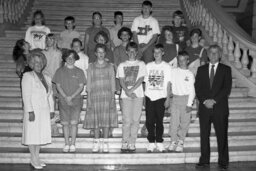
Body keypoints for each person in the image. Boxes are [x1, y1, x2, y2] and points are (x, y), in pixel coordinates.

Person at [195, 45, 232, 170]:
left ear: (220, 55)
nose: (213, 54)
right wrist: (205, 101)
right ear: (208, 54)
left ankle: (223, 161)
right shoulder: (201, 69)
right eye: (211, 52)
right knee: (204, 135)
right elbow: (197, 88)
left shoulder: (226, 69)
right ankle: (204, 160)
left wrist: (214, 100)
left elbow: (226, 88)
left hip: (220, 108)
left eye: (216, 53)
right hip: (205, 108)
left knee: (222, 135)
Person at [21, 51, 54, 169]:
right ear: (31, 63)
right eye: (35, 62)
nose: (38, 64)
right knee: (32, 134)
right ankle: (33, 158)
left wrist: (52, 110)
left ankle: (37, 157)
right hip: (33, 110)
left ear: (43, 63)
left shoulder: (47, 77)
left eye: (40, 62)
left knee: (40, 134)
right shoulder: (27, 76)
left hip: (44, 110)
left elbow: (50, 95)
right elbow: (26, 95)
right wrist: (30, 111)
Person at [83, 44, 118, 153]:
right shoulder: (91, 66)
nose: (101, 54)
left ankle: (106, 142)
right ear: (95, 53)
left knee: (106, 120)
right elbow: (88, 84)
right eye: (99, 52)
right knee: (96, 120)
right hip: (94, 96)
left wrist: (113, 98)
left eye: (102, 52)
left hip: (107, 97)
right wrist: (88, 99)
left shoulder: (110, 66)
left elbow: (113, 83)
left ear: (105, 53)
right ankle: (96, 141)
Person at [52, 50, 86, 153]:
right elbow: (58, 85)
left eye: (72, 57)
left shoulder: (80, 71)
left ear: (75, 58)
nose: (70, 59)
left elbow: (81, 87)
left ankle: (73, 144)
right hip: (63, 100)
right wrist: (66, 96)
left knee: (74, 123)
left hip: (76, 100)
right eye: (68, 57)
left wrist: (71, 96)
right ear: (65, 59)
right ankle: (66, 143)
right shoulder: (59, 71)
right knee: (65, 124)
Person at [116, 42, 146, 152]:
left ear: (137, 52)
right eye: (130, 51)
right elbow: (122, 80)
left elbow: (141, 79)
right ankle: (124, 141)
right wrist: (127, 91)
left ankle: (132, 142)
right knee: (126, 120)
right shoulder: (122, 65)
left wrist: (132, 90)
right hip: (125, 95)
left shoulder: (141, 64)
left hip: (138, 95)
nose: (132, 53)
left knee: (135, 120)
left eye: (134, 51)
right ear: (126, 52)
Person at [144, 44, 171, 152]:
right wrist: (144, 97)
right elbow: (145, 82)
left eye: (158, 52)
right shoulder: (148, 66)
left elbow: (168, 83)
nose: (156, 54)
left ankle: (159, 141)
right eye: (154, 52)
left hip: (161, 97)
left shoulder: (167, 67)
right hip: (150, 96)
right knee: (149, 121)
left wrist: (168, 98)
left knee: (159, 121)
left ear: (162, 53)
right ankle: (151, 142)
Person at [167, 51, 195, 152]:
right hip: (175, 99)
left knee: (184, 122)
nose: (182, 62)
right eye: (180, 60)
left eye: (184, 60)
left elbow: (192, 90)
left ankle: (181, 141)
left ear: (188, 61)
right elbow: (169, 82)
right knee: (174, 122)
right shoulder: (173, 71)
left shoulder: (190, 74)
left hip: (186, 99)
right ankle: (173, 140)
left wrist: (189, 104)